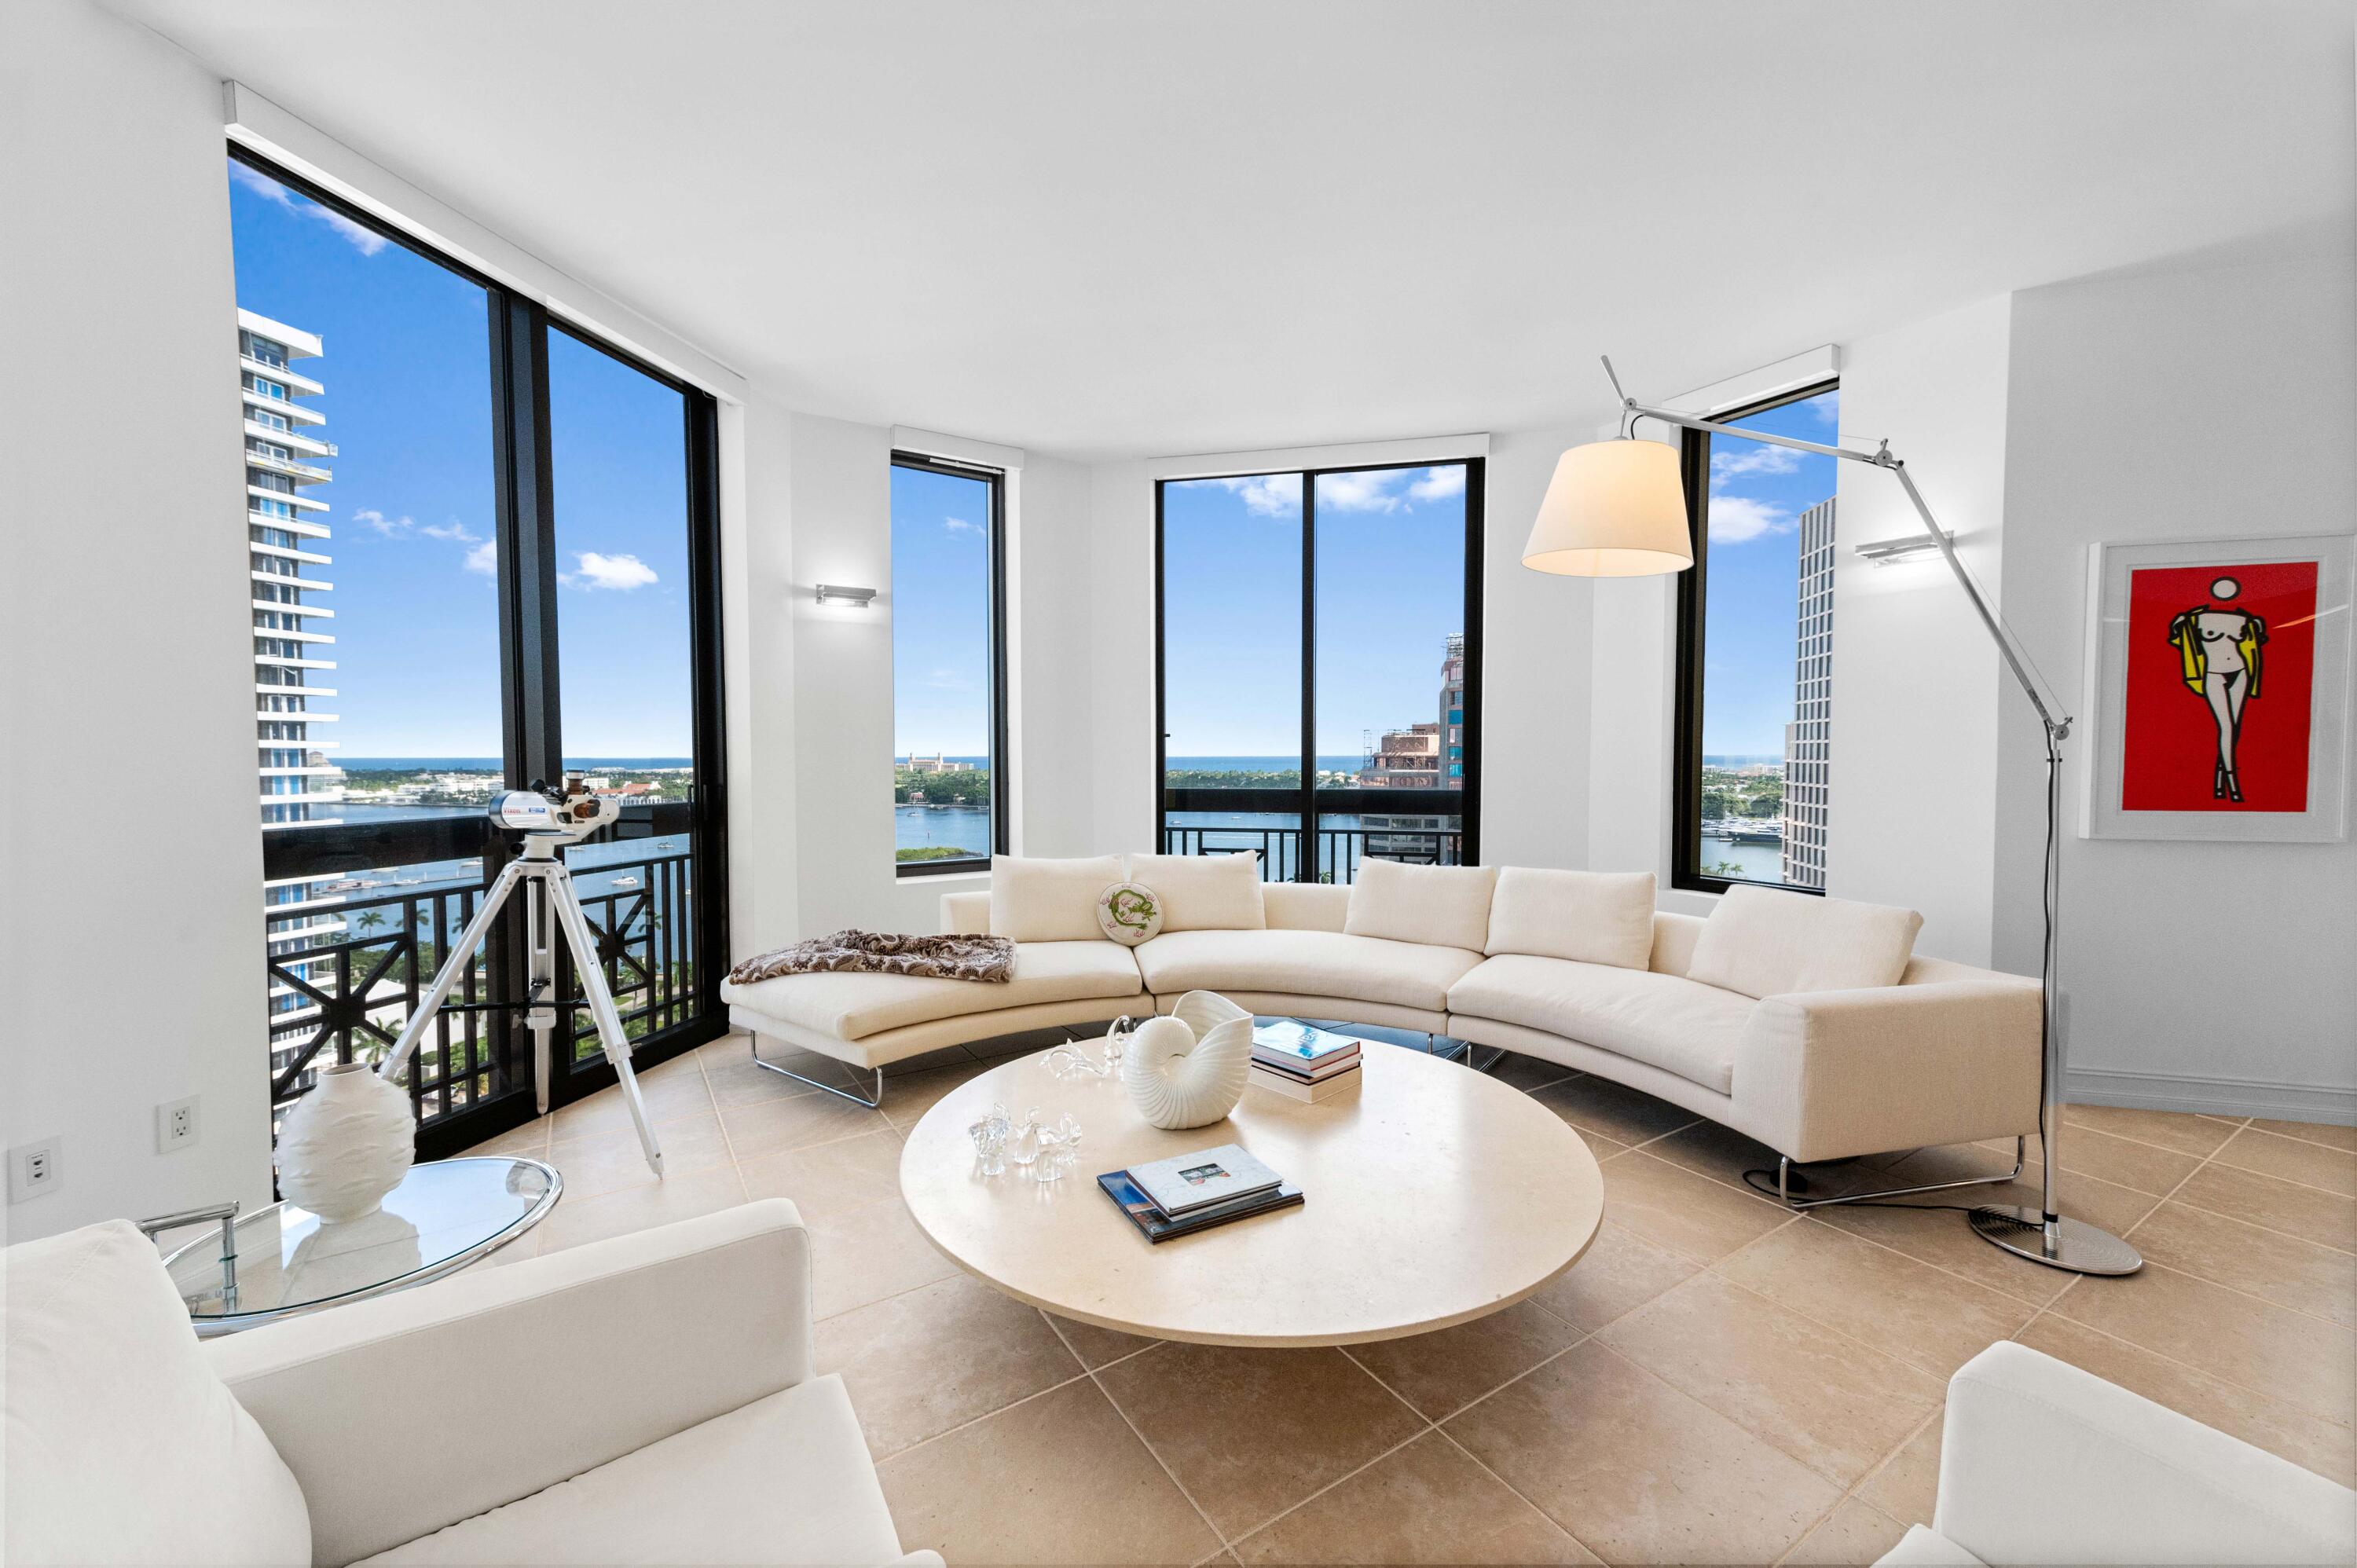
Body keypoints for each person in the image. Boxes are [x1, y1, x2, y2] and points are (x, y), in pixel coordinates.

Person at [2167, 577, 2267, 802]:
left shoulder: (2245, 618)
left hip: (2240, 670)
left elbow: (2256, 639)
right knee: (2227, 727)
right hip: (2214, 673)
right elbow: (2177, 638)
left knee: (2235, 727)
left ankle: (2219, 781)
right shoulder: (2194, 619)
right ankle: (2232, 784)